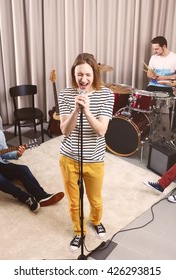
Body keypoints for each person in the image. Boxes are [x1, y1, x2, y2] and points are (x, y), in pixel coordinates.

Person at [58, 53, 114, 252]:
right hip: (69, 157)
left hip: (94, 159)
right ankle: (79, 231)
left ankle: (96, 220)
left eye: (88, 75)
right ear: (74, 74)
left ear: (95, 74)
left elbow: (101, 130)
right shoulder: (65, 94)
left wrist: (87, 111)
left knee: (95, 199)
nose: (83, 79)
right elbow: (65, 130)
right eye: (79, 74)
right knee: (74, 202)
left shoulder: (106, 94)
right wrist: (75, 110)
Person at [145, 36, 176, 133]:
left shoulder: (175, 58)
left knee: (174, 106)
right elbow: (148, 73)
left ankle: (173, 131)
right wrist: (151, 75)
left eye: (157, 49)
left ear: (164, 46)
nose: (155, 51)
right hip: (153, 85)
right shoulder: (153, 58)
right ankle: (144, 127)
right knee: (143, 100)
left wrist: (163, 78)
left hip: (168, 86)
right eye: (154, 49)